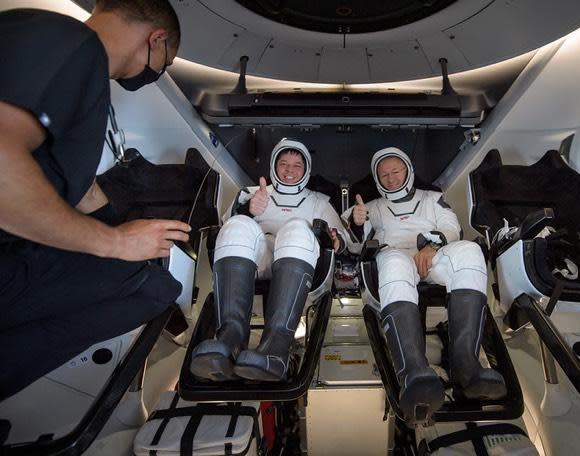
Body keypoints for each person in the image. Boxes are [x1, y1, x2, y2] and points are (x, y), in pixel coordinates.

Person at [0, 0, 190, 401]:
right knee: (151, 287)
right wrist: (117, 243)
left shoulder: (78, 72)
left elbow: (77, 184)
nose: (158, 73)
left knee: (151, 285)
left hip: (14, 253)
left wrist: (119, 230)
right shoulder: (72, 45)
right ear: (156, 40)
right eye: (165, 62)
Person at [344, 147, 506, 423]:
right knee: (393, 261)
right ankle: (413, 371)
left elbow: (452, 228)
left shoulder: (433, 198)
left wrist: (431, 245)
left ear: (408, 170)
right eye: (384, 175)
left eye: (396, 171)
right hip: (395, 257)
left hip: (434, 256)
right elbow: (352, 243)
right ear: (377, 178)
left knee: (469, 250)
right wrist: (356, 222)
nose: (391, 178)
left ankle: (467, 366)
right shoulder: (370, 208)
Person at [190, 138, 349, 382]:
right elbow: (225, 226)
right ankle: (230, 339)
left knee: (296, 228)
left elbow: (343, 240)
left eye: (297, 165)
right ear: (274, 166)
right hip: (256, 261)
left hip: (300, 261)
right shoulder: (251, 194)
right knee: (237, 225)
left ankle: (276, 349)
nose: (289, 170)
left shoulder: (319, 202)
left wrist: (336, 241)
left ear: (306, 170)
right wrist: (248, 211)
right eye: (284, 163)